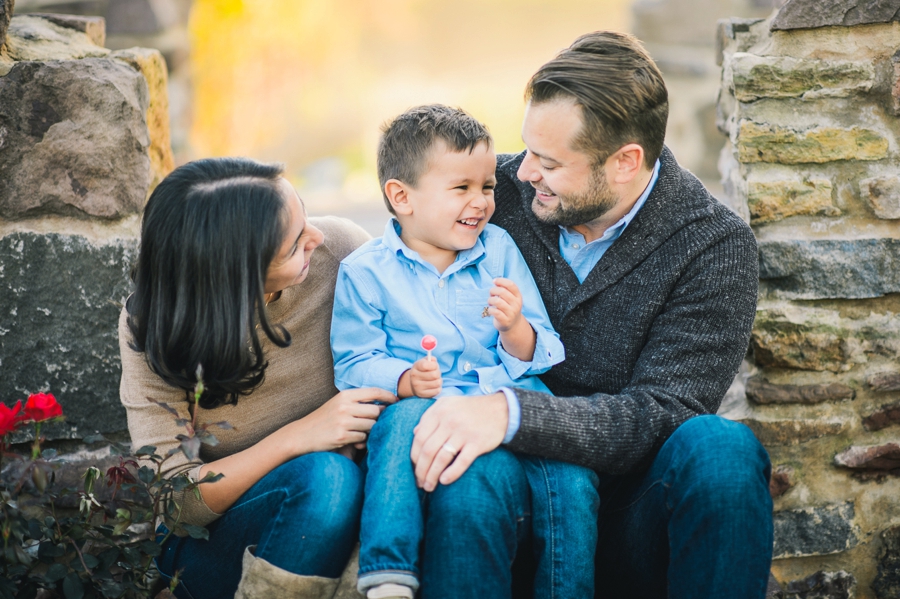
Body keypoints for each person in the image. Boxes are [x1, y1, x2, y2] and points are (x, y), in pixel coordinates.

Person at [408, 31, 775, 597]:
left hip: (632, 514)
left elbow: (662, 415)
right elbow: (400, 235)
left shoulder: (713, 245)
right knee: (470, 479)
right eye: (527, 147)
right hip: (510, 493)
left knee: (722, 451)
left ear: (626, 162)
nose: (523, 171)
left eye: (549, 161)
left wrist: (510, 413)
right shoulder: (493, 194)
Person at [331, 104, 599, 599]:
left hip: (506, 401)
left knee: (573, 475)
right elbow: (352, 361)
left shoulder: (496, 248)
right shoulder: (365, 271)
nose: (480, 202)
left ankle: (567, 589)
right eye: (462, 188)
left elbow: (541, 346)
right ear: (401, 196)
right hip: (422, 404)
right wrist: (405, 380)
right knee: (395, 427)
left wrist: (515, 327)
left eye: (488, 187)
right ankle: (388, 573)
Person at [118, 157, 396, 599]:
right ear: (234, 276)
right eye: (292, 247)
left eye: (304, 215)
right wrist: (298, 437)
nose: (316, 238)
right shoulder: (154, 327)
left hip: (356, 509)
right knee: (326, 481)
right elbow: (175, 503)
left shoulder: (342, 251)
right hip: (215, 542)